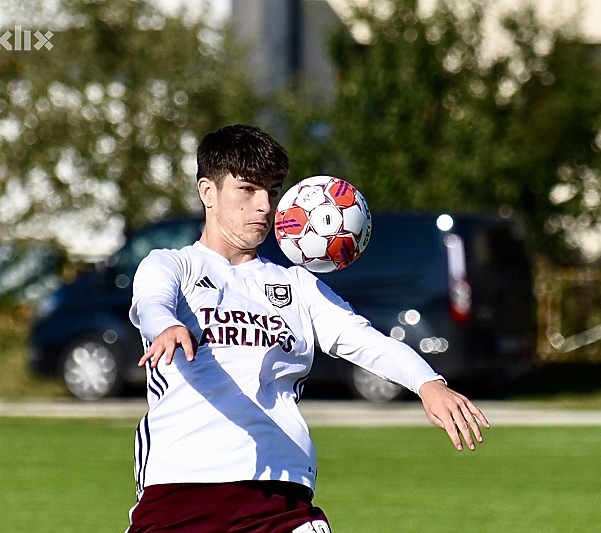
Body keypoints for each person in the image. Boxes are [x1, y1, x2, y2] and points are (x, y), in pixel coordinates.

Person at [126, 124, 490, 533]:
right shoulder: (172, 265)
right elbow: (150, 302)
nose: (264, 206)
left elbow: (367, 341)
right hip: (181, 490)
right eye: (247, 189)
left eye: (273, 190)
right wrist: (168, 325)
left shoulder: (297, 285)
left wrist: (428, 383)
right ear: (207, 192)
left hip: (280, 494)